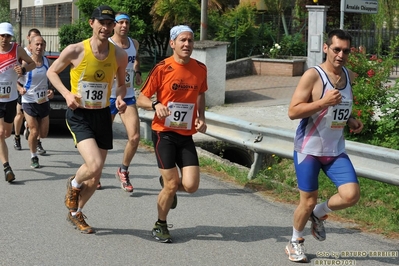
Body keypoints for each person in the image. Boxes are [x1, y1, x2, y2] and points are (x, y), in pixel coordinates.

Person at [46, 5, 128, 234]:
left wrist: (120, 99)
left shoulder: (119, 55)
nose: (106, 27)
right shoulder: (75, 50)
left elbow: (122, 85)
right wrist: (67, 94)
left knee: (94, 177)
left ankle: (75, 213)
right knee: (93, 165)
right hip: (80, 114)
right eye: (101, 22)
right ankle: (73, 185)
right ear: (91, 23)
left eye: (109, 23)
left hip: (102, 114)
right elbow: (52, 71)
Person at [285, 29, 364, 262]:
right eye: (337, 49)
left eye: (346, 51)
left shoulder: (349, 76)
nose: (341, 55)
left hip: (335, 150)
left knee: (351, 195)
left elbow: (337, 110)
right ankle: (294, 242)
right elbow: (293, 111)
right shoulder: (313, 75)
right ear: (326, 48)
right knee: (306, 201)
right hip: (308, 150)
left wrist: (349, 119)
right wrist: (322, 101)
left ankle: (318, 214)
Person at [137, 25, 208, 243]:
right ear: (172, 43)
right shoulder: (162, 68)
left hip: (185, 135)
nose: (187, 44)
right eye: (182, 40)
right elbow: (141, 97)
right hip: (164, 133)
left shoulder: (200, 68)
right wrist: (156, 104)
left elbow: (200, 95)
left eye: (190, 41)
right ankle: (161, 224)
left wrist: (201, 117)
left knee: (191, 186)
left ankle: (169, 184)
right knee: (171, 184)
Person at [105, 12, 142, 192]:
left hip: (127, 95)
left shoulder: (134, 44)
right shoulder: (108, 44)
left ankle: (123, 170)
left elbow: (135, 62)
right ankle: (95, 171)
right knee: (101, 138)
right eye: (121, 23)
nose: (124, 26)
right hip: (107, 97)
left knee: (135, 137)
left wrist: (139, 72)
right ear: (114, 25)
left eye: (127, 22)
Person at [0, 22, 35, 182]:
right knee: (0, 133)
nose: (5, 39)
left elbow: (33, 63)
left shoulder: (17, 49)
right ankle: (7, 167)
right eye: (2, 35)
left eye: (8, 36)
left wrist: (24, 69)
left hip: (11, 99)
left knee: (7, 133)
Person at [18, 35, 53, 168]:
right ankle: (34, 156)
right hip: (29, 100)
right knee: (34, 131)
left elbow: (51, 80)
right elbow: (15, 80)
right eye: (36, 44)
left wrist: (51, 91)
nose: (39, 47)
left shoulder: (47, 62)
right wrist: (20, 89)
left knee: (43, 134)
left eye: (41, 44)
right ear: (30, 46)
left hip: (43, 100)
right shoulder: (25, 63)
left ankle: (27, 126)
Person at [13, 28, 46, 155]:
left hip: (38, 93)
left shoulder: (42, 57)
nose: (38, 45)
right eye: (34, 38)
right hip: (24, 89)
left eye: (39, 40)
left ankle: (36, 140)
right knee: (19, 114)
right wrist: (20, 88)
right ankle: (17, 137)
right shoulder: (23, 53)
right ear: (29, 40)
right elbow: (16, 74)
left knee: (36, 124)